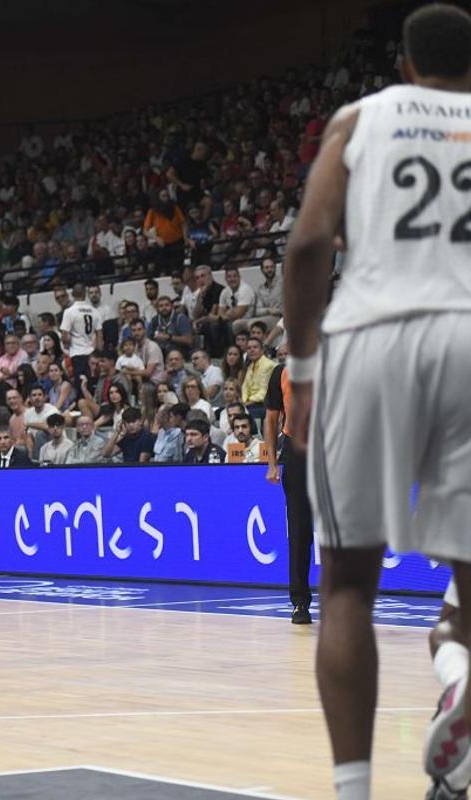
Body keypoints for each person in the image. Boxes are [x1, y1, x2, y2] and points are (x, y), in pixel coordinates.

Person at [284, 10, 471, 797]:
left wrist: (300, 369)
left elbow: (306, 245)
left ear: (403, 60)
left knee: (350, 583)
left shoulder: (363, 116)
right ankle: (461, 685)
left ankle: (354, 789)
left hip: (371, 337)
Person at [264, 349, 315, 625]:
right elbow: (271, 419)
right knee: (299, 531)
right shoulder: (280, 373)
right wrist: (272, 463)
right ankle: (300, 602)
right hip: (296, 453)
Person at [60, 283, 102, 379]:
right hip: (91, 353)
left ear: (72, 294)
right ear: (85, 294)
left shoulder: (69, 312)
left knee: (81, 384)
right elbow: (99, 335)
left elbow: (64, 336)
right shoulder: (94, 311)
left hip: (77, 353)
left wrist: (67, 344)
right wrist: (99, 354)